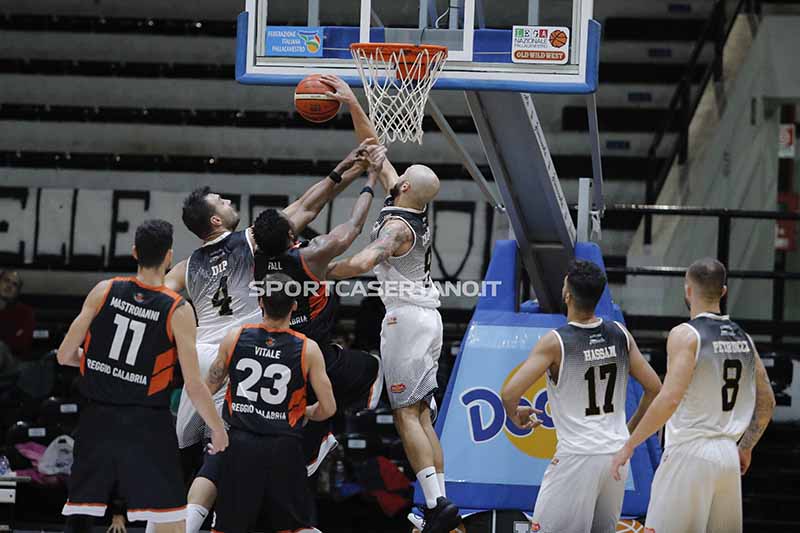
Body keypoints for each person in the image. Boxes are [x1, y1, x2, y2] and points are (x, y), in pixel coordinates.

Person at [162, 144, 370, 531]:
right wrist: (345, 171)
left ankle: (186, 520)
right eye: (220, 201)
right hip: (238, 350)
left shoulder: (187, 266)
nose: (227, 201)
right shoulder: (248, 240)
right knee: (226, 452)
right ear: (216, 222)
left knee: (193, 452)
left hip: (201, 356)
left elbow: (157, 293)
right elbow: (306, 208)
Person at [56, 220, 227, 532]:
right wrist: (217, 428)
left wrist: (100, 366)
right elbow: (193, 384)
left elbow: (65, 355)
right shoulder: (177, 309)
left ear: (134, 252)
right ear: (169, 257)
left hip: (98, 421)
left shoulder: (104, 290)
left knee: (82, 516)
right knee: (170, 521)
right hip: (147, 427)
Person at [326, 152, 459, 532]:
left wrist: (319, 267)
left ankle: (434, 504)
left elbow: (366, 260)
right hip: (427, 319)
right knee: (420, 415)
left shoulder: (397, 228)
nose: (393, 174)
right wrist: (352, 104)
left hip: (406, 320)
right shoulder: (409, 204)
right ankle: (438, 502)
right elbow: (380, 156)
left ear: (403, 187)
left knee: (405, 415)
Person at [610, 258, 776, 533]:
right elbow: (767, 401)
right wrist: (745, 446)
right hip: (727, 457)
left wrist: (629, 445)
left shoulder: (685, 335)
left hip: (689, 454)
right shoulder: (743, 338)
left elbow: (669, 398)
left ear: (688, 290)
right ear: (723, 291)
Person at [252, 143, 387, 474]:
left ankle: (317, 444)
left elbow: (310, 205)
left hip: (277, 348)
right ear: (289, 234)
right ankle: (355, 407)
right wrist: (371, 178)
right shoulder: (310, 256)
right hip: (318, 353)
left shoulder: (256, 255)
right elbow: (352, 228)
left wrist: (347, 166)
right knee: (374, 368)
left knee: (306, 409)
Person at [500, 260, 662, 533]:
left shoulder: (556, 341)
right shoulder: (620, 334)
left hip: (578, 458)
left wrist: (515, 415)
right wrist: (628, 434)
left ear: (567, 295)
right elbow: (655, 388)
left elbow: (509, 393)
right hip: (615, 457)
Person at [205, 273, 336, 533]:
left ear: (261, 302)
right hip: (283, 446)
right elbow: (329, 408)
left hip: (240, 443)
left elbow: (206, 389)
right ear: (295, 305)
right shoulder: (308, 348)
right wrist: (307, 411)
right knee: (295, 526)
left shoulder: (235, 337)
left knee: (229, 525)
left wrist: (216, 428)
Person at [0, 270, 35, 360]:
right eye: (6, 281)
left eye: (14, 284)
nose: (9, 286)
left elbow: (22, 344)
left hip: (11, 359)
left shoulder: (25, 313)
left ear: (17, 292)